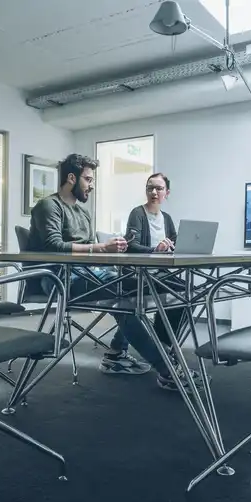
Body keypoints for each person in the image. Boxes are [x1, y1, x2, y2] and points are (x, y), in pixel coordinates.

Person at [27, 153, 203, 392]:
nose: (91, 185)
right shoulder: (49, 205)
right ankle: (168, 369)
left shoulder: (83, 213)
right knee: (124, 299)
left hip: (90, 272)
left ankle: (129, 353)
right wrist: (101, 247)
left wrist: (111, 252)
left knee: (151, 287)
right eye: (88, 179)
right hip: (60, 277)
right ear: (71, 177)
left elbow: (92, 252)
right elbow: (54, 247)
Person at [124, 173, 177, 253]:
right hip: (144, 264)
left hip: (165, 264)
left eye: (159, 188)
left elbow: (175, 243)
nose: (153, 192)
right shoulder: (137, 213)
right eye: (150, 188)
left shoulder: (167, 218)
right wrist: (155, 250)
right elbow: (131, 245)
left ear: (167, 193)